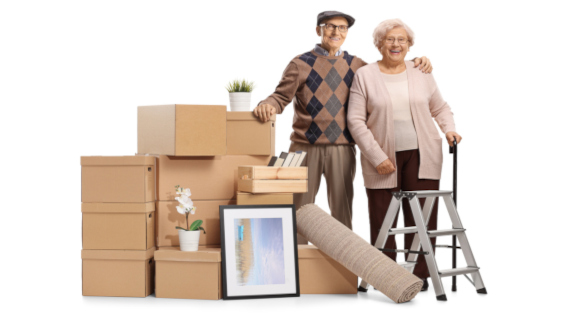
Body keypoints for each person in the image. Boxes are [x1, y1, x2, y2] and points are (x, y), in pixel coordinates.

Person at [254, 11, 432, 244]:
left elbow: (390, 70)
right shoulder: (300, 64)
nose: (336, 32)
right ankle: (296, 269)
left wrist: (417, 62)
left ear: (347, 33)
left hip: (342, 147)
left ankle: (342, 273)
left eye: (342, 28)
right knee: (298, 210)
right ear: (318, 30)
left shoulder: (357, 65)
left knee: (342, 211)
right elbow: (280, 97)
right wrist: (267, 104)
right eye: (330, 27)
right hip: (303, 147)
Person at [347, 18, 462, 291]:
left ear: (409, 45)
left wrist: (450, 130)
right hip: (383, 156)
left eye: (402, 40)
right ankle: (386, 275)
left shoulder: (421, 71)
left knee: (422, 217)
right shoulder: (365, 75)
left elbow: (440, 107)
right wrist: (377, 157)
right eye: (390, 39)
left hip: (423, 154)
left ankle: (419, 276)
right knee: (382, 216)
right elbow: (355, 121)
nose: (396, 44)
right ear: (379, 44)